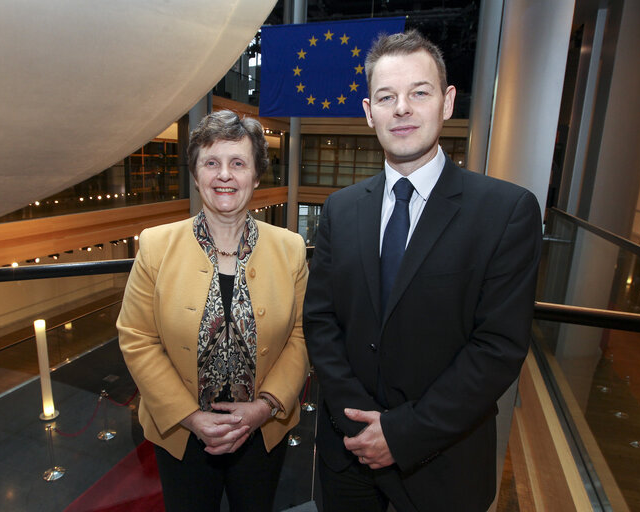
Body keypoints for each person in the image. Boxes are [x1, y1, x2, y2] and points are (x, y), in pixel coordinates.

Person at [303, 30, 542, 512]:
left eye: (419, 92)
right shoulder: (340, 209)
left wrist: (402, 432)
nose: (402, 109)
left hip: (444, 468)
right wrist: (358, 424)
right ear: (370, 113)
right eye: (387, 97)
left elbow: (498, 346)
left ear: (448, 102)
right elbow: (322, 322)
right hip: (347, 461)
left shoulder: (506, 211)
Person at [117, 110, 309, 511]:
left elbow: (302, 335)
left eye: (238, 163)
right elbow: (137, 338)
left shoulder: (290, 248)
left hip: (261, 434)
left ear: (256, 176)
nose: (224, 175)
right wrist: (190, 417)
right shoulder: (155, 246)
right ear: (196, 173)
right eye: (211, 162)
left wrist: (264, 407)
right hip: (183, 438)